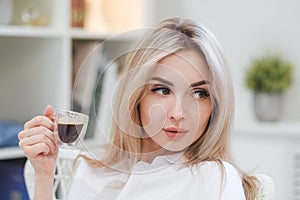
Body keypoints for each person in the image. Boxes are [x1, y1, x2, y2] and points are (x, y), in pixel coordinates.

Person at [18, 18, 259, 200]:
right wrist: (44, 176)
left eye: (199, 94)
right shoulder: (91, 170)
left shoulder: (213, 179)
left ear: (215, 106)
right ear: (136, 95)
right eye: (163, 90)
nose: (178, 113)